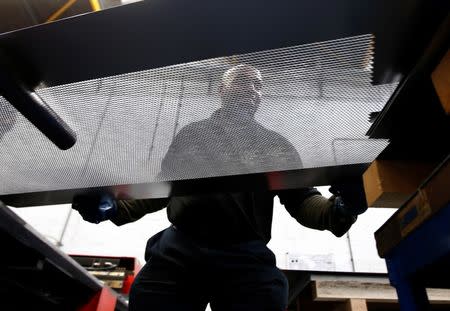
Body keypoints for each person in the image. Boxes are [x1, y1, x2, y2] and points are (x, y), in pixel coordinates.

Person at [73, 64, 367, 311]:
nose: (253, 90)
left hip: (245, 256)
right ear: (223, 90)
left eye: (259, 86)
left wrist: (340, 209)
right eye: (243, 82)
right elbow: (165, 188)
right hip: (181, 249)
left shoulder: (276, 145)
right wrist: (113, 207)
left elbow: (302, 200)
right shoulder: (193, 135)